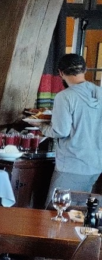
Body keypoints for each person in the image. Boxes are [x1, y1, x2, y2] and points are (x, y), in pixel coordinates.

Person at [42, 53, 102, 203]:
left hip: (71, 164)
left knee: (54, 211)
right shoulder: (100, 93)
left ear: (60, 73)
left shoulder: (65, 96)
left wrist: (41, 127)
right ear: (85, 69)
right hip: (95, 164)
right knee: (78, 213)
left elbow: (60, 131)